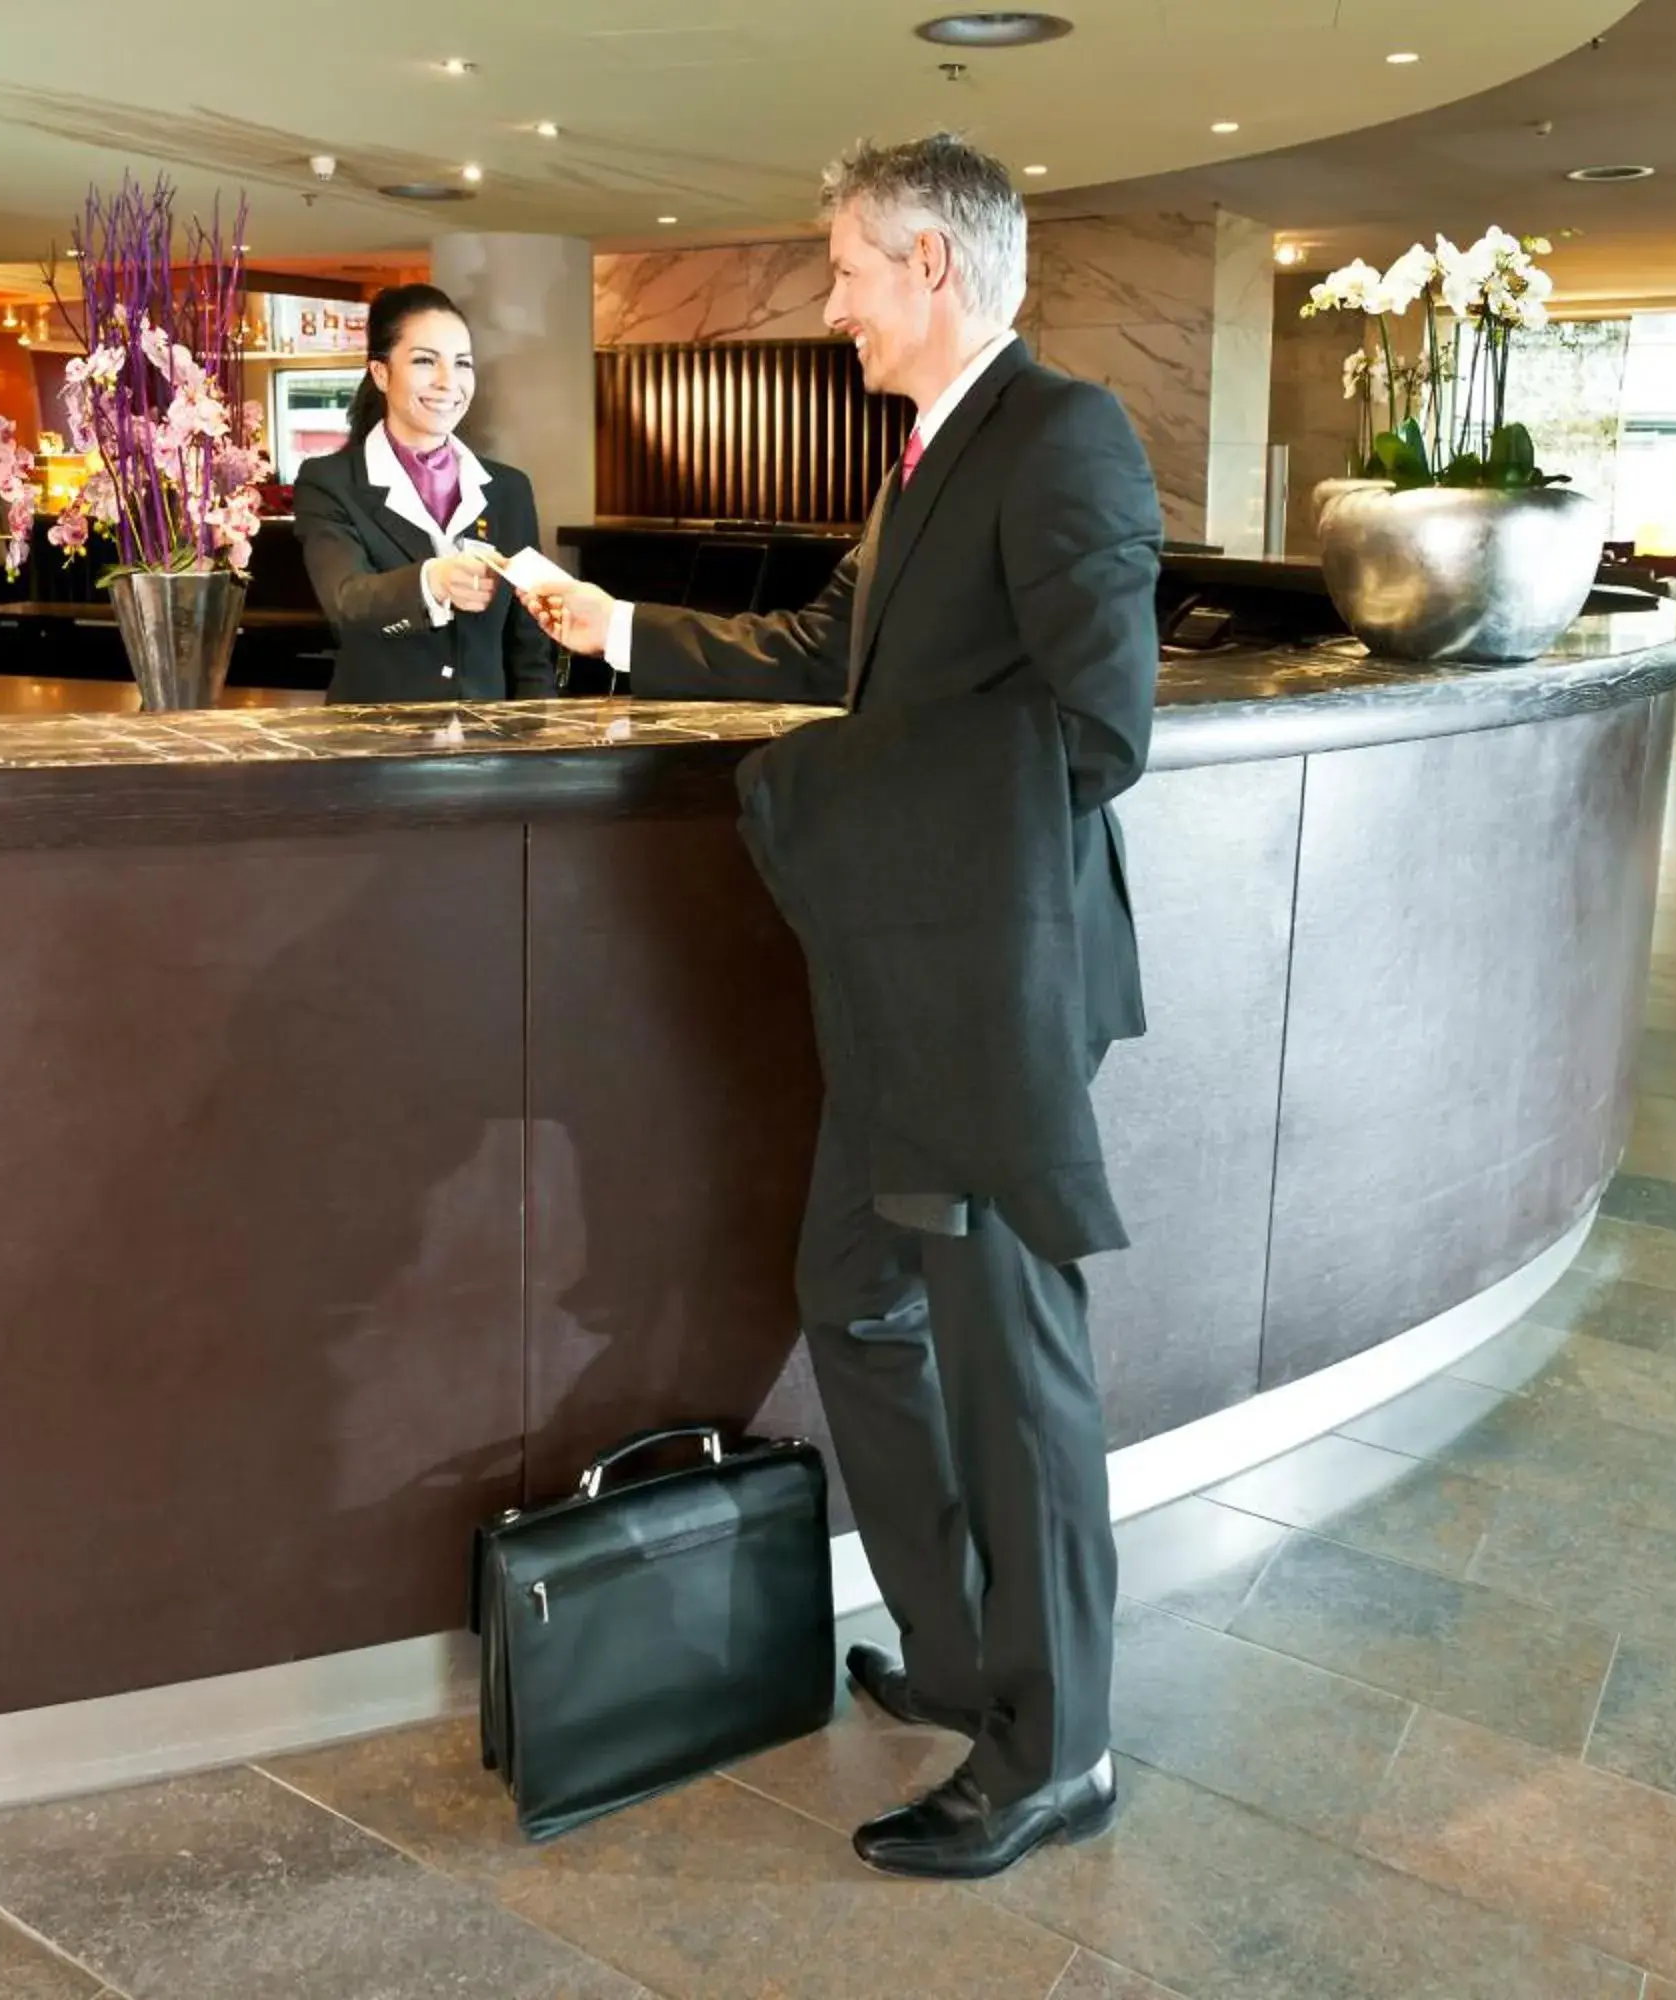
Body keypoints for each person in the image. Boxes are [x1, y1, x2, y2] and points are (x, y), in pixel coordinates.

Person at [529, 132, 1161, 1881]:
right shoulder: (920, 464)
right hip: (909, 974)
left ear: (934, 269)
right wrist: (621, 627)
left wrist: (841, 796)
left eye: (849, 270)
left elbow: (1100, 731)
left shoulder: (1063, 437)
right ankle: (965, 1660)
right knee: (852, 1298)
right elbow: (824, 654)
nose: (832, 302)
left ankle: (1061, 1748)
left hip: (989, 984)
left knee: (1012, 1366)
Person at [292, 284, 557, 703]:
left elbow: (528, 648)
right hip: (376, 744)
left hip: (487, 747)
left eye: (462, 363)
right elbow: (347, 603)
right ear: (381, 373)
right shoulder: (331, 482)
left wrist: (539, 747)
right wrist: (433, 580)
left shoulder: (509, 489)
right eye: (424, 361)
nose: (448, 382)